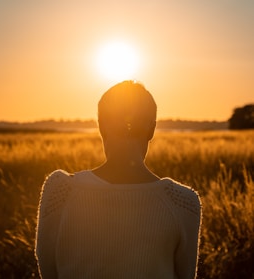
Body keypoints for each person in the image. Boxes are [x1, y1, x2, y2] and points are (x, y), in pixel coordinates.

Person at [35, 80, 202, 279]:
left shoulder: (60, 191)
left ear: (101, 126)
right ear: (152, 129)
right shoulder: (183, 202)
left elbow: (49, 272)